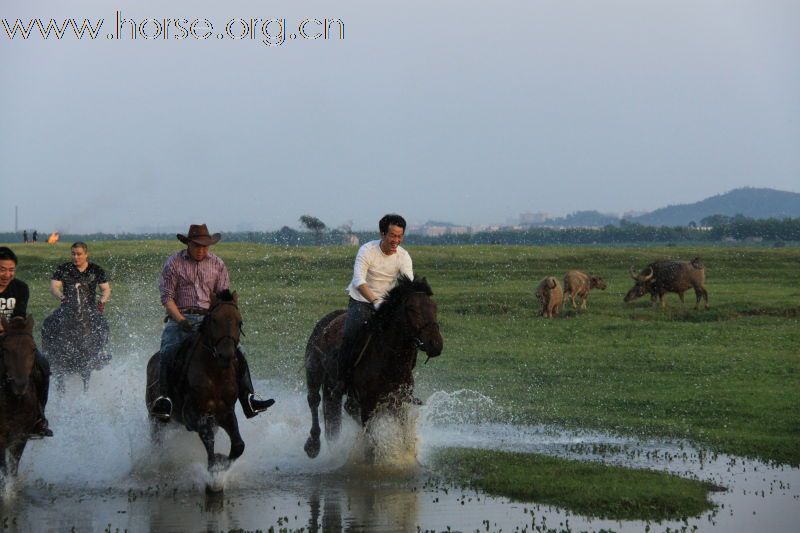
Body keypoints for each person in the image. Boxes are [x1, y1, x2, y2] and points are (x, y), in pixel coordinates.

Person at [150, 224, 275, 420]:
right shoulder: (173, 263)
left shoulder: (217, 264)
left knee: (237, 353)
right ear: (188, 243)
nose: (201, 250)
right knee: (168, 350)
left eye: (205, 246)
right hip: (180, 317)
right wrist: (181, 320)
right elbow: (167, 298)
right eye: (197, 246)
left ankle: (249, 398)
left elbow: (223, 297)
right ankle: (165, 399)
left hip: (210, 319)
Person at [336, 214, 413, 394]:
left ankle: (405, 385)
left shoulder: (403, 256)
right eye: (393, 235)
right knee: (351, 334)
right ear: (382, 233)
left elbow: (408, 282)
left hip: (387, 305)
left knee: (408, 337)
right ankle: (342, 380)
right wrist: (375, 301)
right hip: (361, 301)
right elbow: (358, 281)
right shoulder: (367, 250)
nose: (396, 240)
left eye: (400, 236)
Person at [0, 246, 53, 437]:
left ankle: (38, 417)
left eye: (11, 270)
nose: (7, 274)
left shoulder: (20, 288)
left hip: (14, 338)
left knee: (42, 365)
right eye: (2, 269)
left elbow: (20, 316)